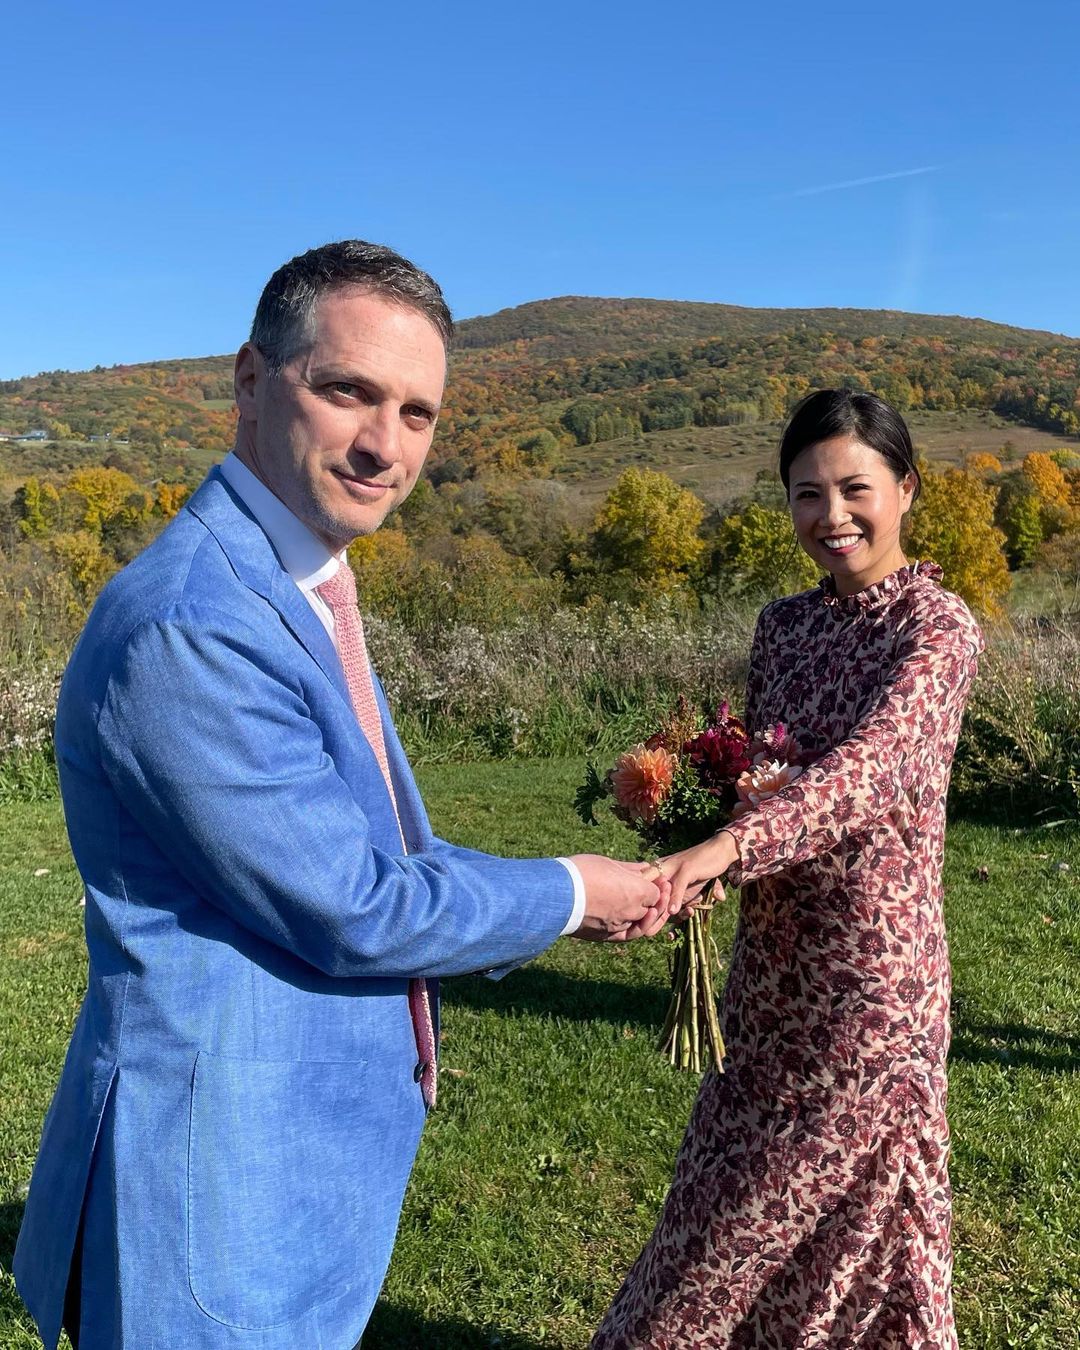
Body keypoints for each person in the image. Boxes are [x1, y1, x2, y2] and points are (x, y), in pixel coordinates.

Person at [14, 240, 670, 1350]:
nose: (384, 445)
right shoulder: (193, 624)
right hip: (218, 1182)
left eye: (417, 413)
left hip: (284, 1162)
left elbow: (379, 856)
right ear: (250, 380)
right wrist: (569, 894)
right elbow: (355, 905)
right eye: (348, 391)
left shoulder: (295, 584)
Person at [593, 389, 984, 1349]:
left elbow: (873, 770)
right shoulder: (783, 627)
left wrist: (730, 847)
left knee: (831, 1229)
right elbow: (760, 766)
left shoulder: (937, 629)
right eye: (808, 494)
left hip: (870, 990)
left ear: (907, 489)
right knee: (720, 1198)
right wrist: (700, 827)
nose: (832, 515)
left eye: (856, 489)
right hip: (770, 976)